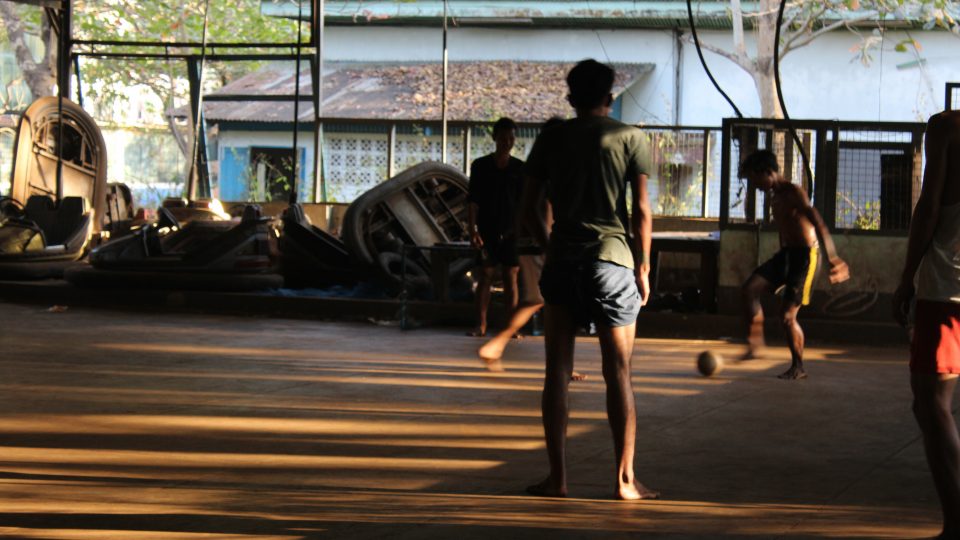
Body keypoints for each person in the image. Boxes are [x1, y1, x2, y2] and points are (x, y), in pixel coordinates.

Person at [520, 59, 657, 501]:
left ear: (570, 98)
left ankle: (557, 479)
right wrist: (643, 265)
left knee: (557, 371)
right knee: (618, 371)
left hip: (564, 261)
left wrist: (548, 247)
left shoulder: (552, 137)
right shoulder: (631, 137)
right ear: (610, 98)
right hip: (612, 262)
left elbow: (530, 205)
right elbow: (640, 210)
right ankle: (624, 482)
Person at [893, 110, 960, 540]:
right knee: (930, 403)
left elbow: (930, 204)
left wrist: (906, 278)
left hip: (949, 281)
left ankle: (956, 521)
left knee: (930, 401)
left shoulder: (947, 126)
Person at [739, 150, 850, 379]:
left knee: (788, 316)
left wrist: (832, 257)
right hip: (787, 256)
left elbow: (817, 222)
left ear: (768, 172)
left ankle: (798, 367)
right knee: (750, 288)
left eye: (755, 178)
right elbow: (784, 228)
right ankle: (756, 344)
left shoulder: (793, 192)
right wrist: (782, 266)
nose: (754, 184)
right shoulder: (774, 196)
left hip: (806, 258)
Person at [477, 117, 564, 373]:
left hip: (537, 240)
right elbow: (539, 209)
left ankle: (561, 362)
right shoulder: (543, 166)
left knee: (545, 301)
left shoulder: (538, 165)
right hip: (537, 241)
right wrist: (548, 243)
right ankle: (497, 344)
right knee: (538, 299)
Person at [467, 117, 523, 337]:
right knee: (486, 276)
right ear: (494, 138)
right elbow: (473, 201)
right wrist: (473, 230)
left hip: (512, 232)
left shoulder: (520, 168)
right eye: (502, 138)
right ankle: (480, 325)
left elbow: (524, 203)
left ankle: (511, 328)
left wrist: (521, 230)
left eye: (510, 138)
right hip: (487, 229)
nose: (506, 142)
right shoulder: (480, 166)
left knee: (511, 278)